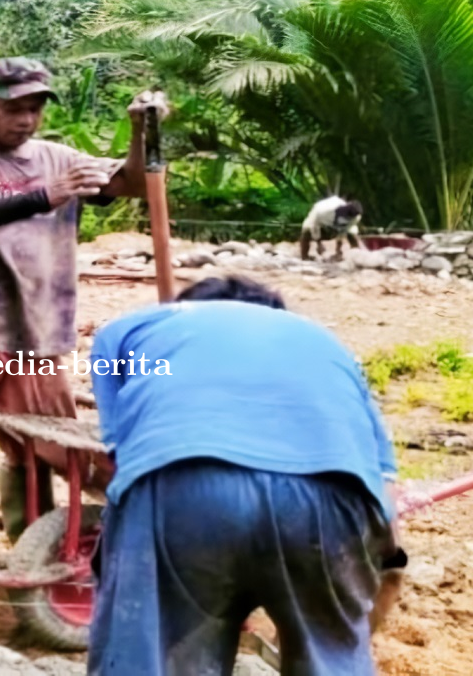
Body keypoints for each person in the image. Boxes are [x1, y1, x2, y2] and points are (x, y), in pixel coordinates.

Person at [0, 55, 169, 612]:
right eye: (12, 108)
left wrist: (141, 129)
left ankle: (31, 547)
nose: (25, 120)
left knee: (43, 445)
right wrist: (43, 196)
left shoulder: (59, 158)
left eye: (33, 108)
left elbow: (130, 183)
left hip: (38, 330)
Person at [86, 275, 406, 676]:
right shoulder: (326, 346)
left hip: (183, 479)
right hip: (330, 497)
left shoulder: (134, 328)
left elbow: (119, 455)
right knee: (330, 658)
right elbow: (385, 493)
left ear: (183, 307)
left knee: (154, 658)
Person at [300, 194, 365, 261]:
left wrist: (338, 250)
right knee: (306, 229)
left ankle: (357, 255)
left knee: (353, 232)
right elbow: (313, 225)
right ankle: (304, 256)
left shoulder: (356, 217)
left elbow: (345, 229)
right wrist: (318, 243)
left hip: (335, 227)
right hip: (320, 224)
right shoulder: (322, 211)